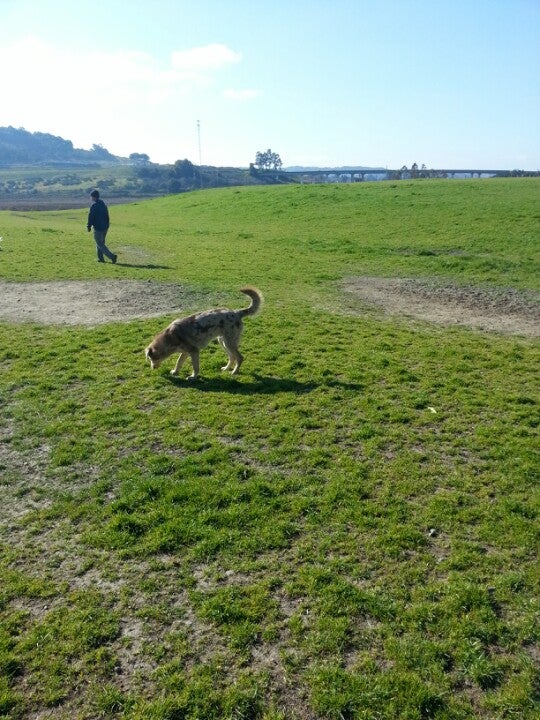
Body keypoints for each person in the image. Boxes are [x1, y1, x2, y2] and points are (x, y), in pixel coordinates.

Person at [87, 190, 117, 263]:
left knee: (100, 244)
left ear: (93, 197)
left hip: (98, 228)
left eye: (91, 196)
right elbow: (107, 216)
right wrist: (107, 225)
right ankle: (101, 259)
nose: (90, 198)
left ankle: (112, 256)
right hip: (105, 227)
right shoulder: (103, 204)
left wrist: (88, 226)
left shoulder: (94, 205)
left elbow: (91, 217)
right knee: (101, 243)